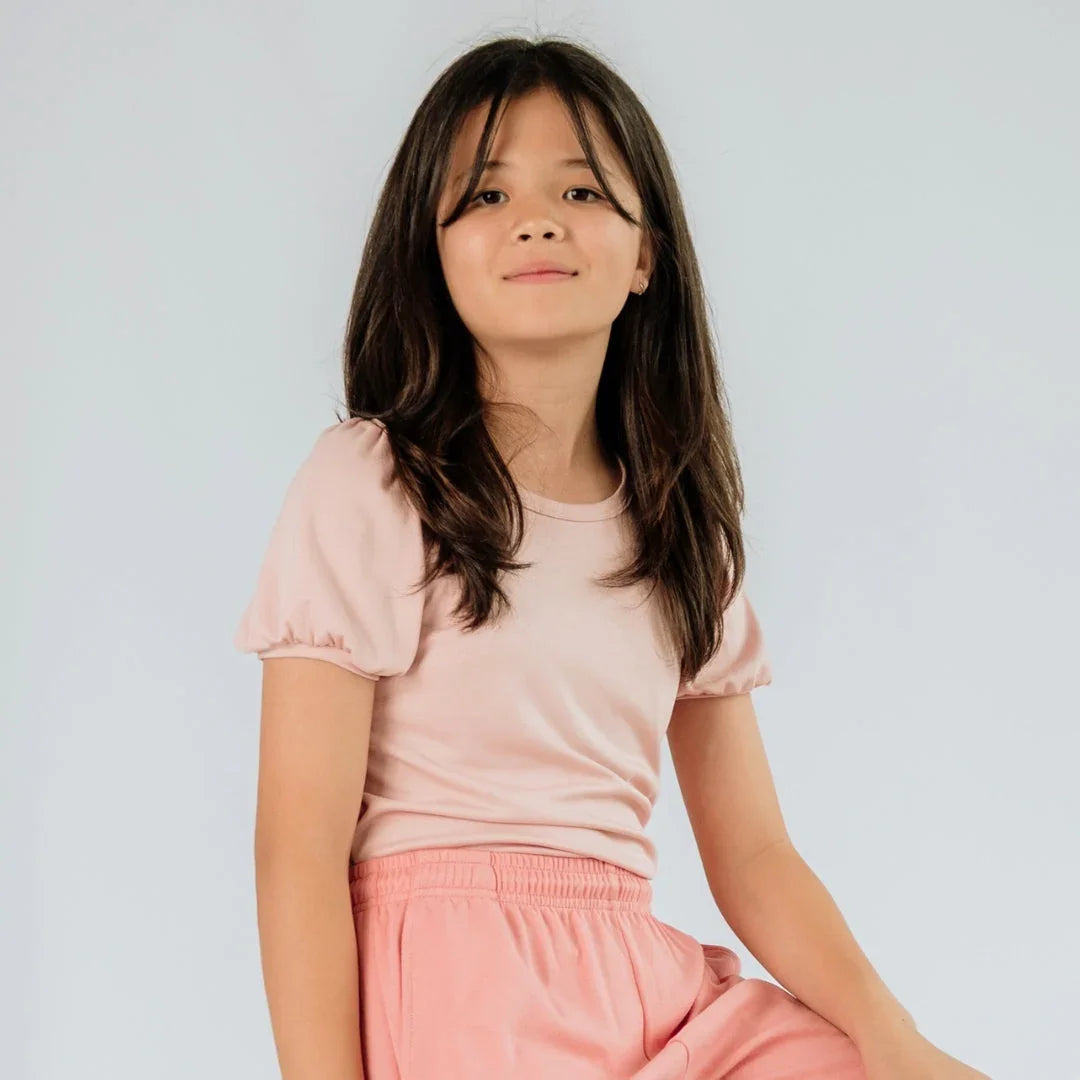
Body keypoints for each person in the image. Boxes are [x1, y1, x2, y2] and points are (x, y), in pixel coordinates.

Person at [234, 34, 990, 1080]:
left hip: (638, 982)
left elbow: (756, 857)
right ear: (430, 252)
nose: (536, 219)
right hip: (460, 994)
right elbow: (298, 846)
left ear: (646, 254)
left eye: (583, 189)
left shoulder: (682, 535)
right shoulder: (374, 482)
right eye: (485, 197)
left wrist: (897, 1042)